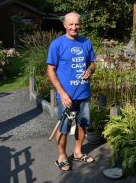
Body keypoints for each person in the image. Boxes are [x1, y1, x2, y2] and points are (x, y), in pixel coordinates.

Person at [46, 12, 96, 171]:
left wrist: (90, 70)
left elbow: (92, 63)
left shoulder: (86, 43)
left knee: (83, 125)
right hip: (66, 96)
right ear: (65, 25)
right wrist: (62, 93)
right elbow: (51, 70)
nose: (74, 27)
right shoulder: (57, 44)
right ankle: (61, 156)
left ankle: (77, 152)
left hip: (84, 93)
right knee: (64, 127)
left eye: (77, 24)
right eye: (71, 24)